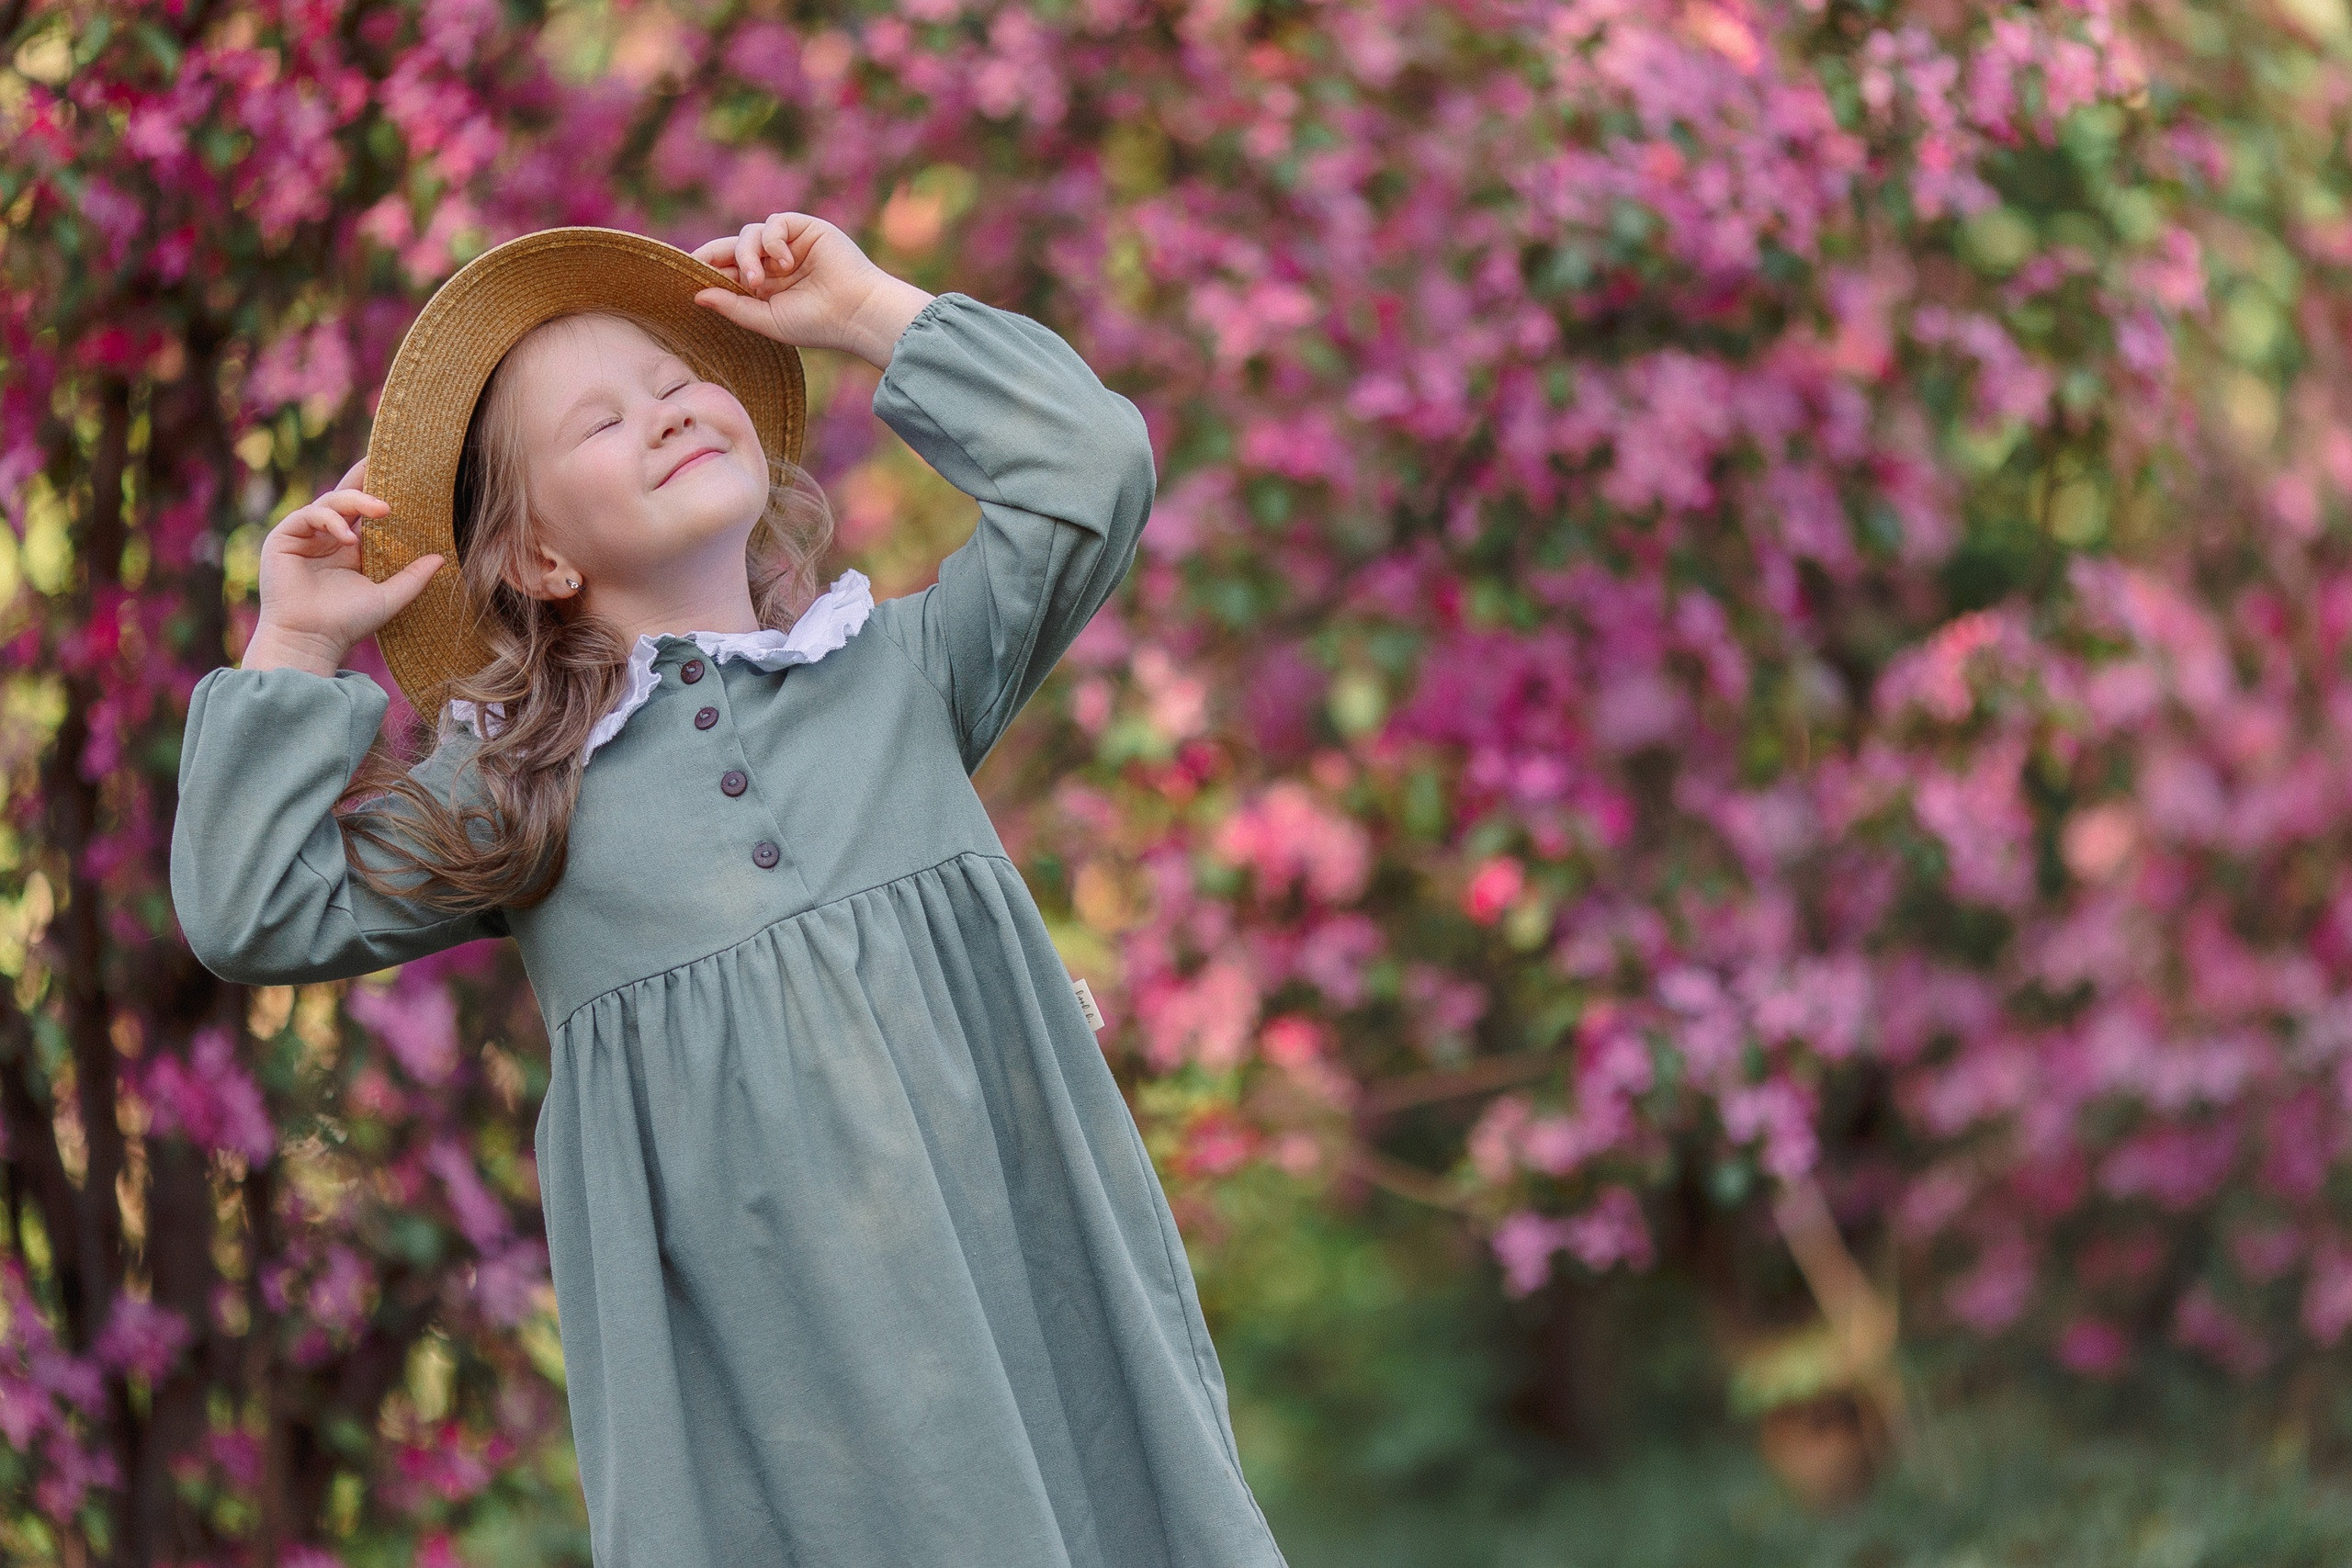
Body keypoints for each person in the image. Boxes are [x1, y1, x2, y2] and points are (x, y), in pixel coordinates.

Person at [170, 212, 1290, 1567]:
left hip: (1014, 1292)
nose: (663, 413)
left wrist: (871, 309)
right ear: (539, 561)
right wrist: (293, 639)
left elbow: (1090, 468)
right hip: (771, 1394)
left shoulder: (901, 675)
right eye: (598, 423)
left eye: (675, 382)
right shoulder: (523, 795)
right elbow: (252, 910)